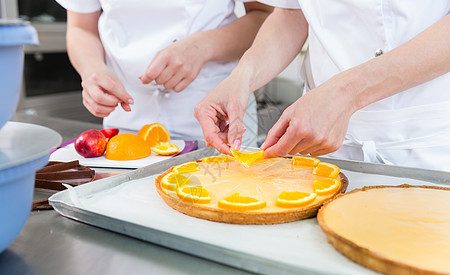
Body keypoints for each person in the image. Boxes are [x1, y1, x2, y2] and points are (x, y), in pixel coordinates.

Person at [194, 1, 450, 171]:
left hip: (424, 148)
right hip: (319, 150)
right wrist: (243, 76)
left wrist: (346, 93)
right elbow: (292, 12)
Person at [55, 0, 273, 146]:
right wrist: (92, 69)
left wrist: (202, 48)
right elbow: (81, 27)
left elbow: (265, 17)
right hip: (126, 124)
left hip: (217, 121)